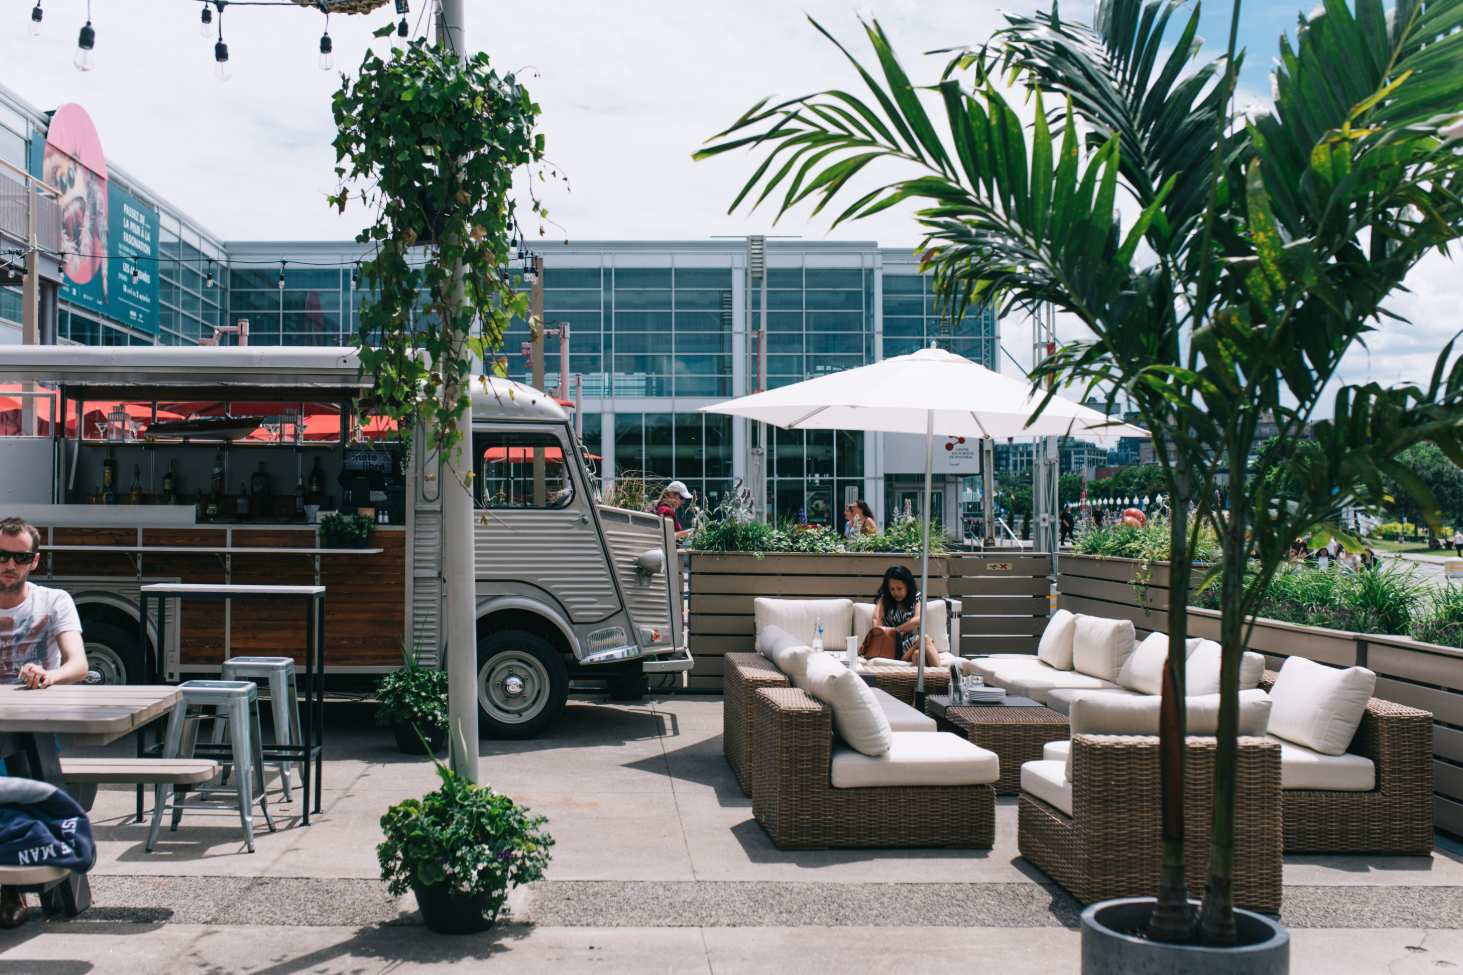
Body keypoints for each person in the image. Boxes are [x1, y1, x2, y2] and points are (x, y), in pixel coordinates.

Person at [0, 517, 88, 930]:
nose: (9, 565)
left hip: (33, 723)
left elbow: (79, 665)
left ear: (35, 561)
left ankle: (6, 889)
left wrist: (49, 676)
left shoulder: (53, 601)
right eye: (2, 556)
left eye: (20, 557)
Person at [868, 565, 940, 668]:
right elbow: (876, 619)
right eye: (891, 589)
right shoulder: (885, 599)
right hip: (894, 647)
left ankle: (927, 683)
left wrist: (895, 631)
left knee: (918, 655)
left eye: (899, 588)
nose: (896, 593)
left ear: (908, 585)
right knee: (924, 639)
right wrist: (887, 638)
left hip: (914, 644)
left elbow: (918, 620)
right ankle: (945, 678)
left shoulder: (916, 597)